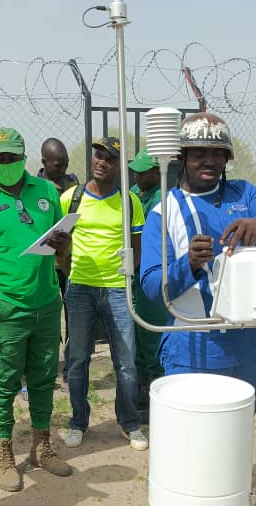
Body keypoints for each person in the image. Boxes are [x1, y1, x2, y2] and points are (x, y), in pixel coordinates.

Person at [140, 112, 256, 506]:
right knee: (191, 435)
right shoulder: (164, 211)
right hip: (192, 340)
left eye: (216, 153)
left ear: (227, 158)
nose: (208, 161)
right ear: (183, 158)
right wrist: (186, 264)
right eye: (199, 153)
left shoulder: (246, 194)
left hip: (246, 338)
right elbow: (151, 287)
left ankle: (234, 504)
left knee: (236, 427)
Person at [0, 128, 72, 492]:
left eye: (13, 157)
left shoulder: (46, 193)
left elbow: (61, 252)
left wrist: (62, 245)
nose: (6, 164)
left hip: (45, 304)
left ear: (25, 158)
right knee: (5, 384)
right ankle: (4, 452)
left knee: (42, 379)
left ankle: (42, 445)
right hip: (4, 308)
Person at [60, 136, 148, 451]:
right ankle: (78, 422)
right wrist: (64, 266)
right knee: (78, 359)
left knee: (125, 360)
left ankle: (130, 423)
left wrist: (127, 271)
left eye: (109, 158)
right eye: (98, 155)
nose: (101, 162)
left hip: (116, 290)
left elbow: (136, 248)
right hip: (80, 289)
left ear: (118, 166)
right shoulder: (71, 198)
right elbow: (59, 244)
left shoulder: (129, 202)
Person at [128, 148, 169, 419]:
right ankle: (141, 385)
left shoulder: (162, 199)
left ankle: (156, 388)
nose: (138, 176)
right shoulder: (133, 192)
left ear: (157, 172)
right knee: (136, 331)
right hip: (132, 273)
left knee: (152, 332)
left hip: (152, 272)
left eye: (143, 172)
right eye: (136, 171)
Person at [37, 137, 79, 383]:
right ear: (44, 163)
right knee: (47, 319)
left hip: (70, 262)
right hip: (45, 265)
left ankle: (69, 371)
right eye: (56, 164)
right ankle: (44, 372)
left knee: (74, 316)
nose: (62, 169)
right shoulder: (35, 188)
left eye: (64, 164)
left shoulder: (74, 185)